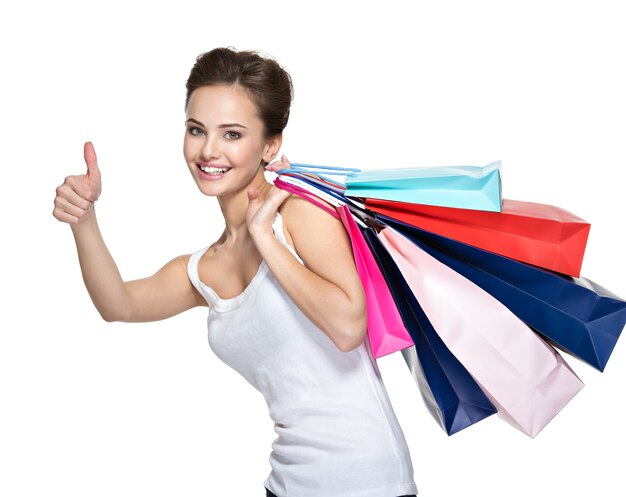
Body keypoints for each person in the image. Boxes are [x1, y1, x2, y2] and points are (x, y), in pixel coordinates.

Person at [52, 47, 419, 497]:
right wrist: (84, 219)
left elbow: (348, 326)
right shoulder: (207, 266)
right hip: (288, 482)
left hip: (366, 482)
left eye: (232, 134)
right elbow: (119, 304)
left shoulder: (298, 214)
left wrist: (265, 236)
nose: (208, 150)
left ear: (270, 145)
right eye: (196, 130)